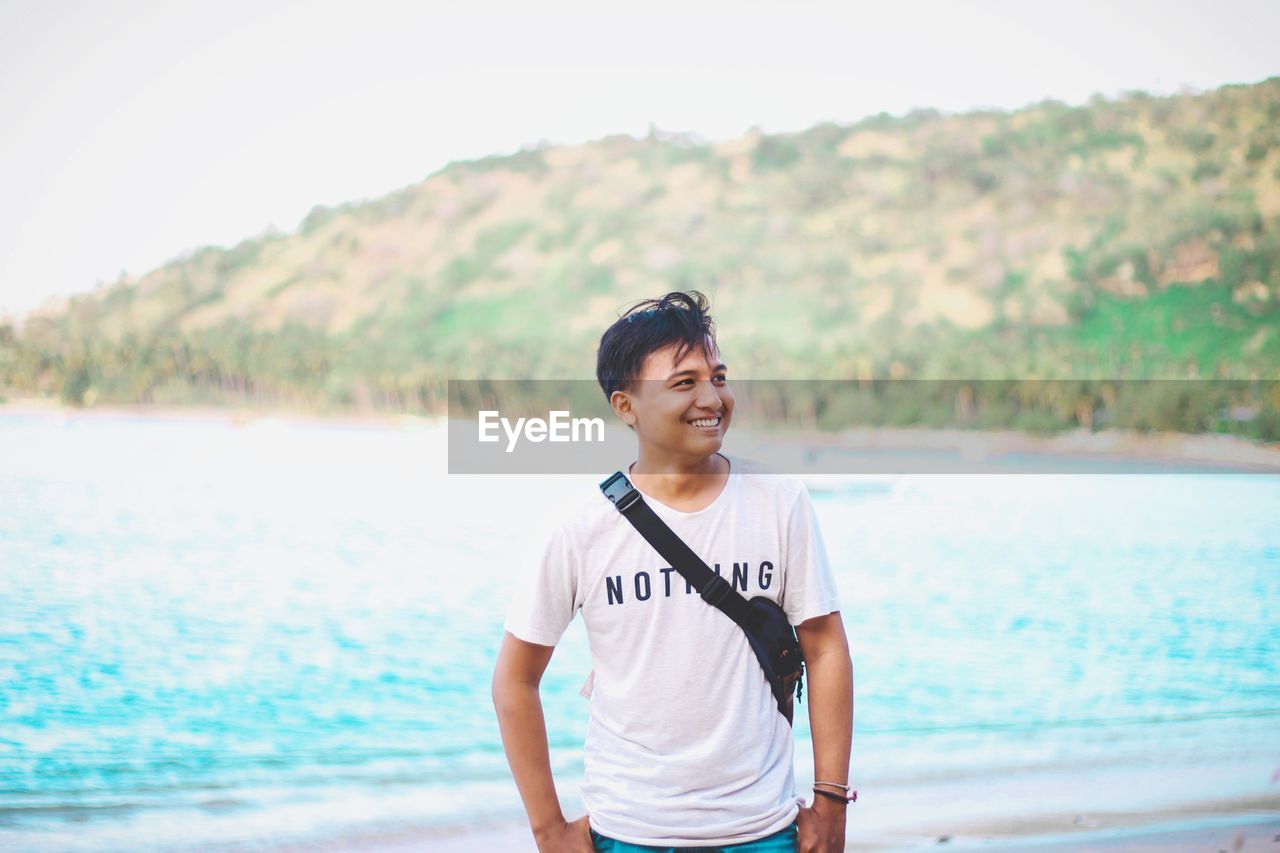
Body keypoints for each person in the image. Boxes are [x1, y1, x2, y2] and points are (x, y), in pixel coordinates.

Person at [492, 291, 853, 853]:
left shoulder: (779, 503)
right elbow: (515, 680)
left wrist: (830, 805)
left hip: (762, 831)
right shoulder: (580, 527)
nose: (712, 397)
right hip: (627, 833)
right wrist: (549, 830)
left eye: (719, 377)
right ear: (626, 405)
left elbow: (826, 646)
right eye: (683, 383)